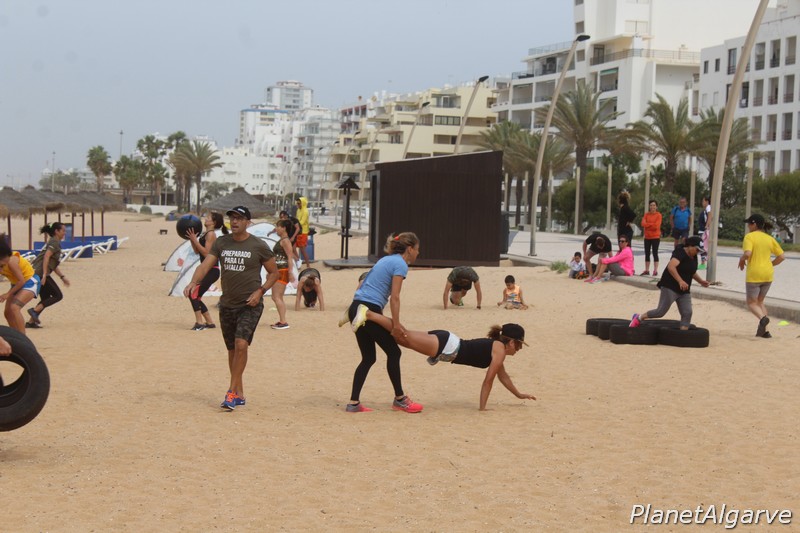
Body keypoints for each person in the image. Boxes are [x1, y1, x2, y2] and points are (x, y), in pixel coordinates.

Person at [183, 206, 279, 410]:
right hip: (227, 304)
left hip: (250, 304)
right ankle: (239, 393)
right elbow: (205, 266)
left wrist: (260, 292)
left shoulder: (258, 245)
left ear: (248, 222)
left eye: (239, 218)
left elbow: (274, 273)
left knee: (241, 344)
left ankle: (231, 392)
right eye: (232, 218)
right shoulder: (222, 243)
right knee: (232, 350)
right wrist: (193, 282)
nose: (234, 221)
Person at [352, 313, 535, 411]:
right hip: (448, 346)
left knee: (403, 336)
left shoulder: (497, 349)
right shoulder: (499, 350)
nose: (519, 349)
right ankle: (369, 315)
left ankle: (367, 320)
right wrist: (482, 408)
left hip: (447, 341)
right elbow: (489, 380)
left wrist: (519, 395)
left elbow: (503, 377)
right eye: (519, 345)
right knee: (403, 336)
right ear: (512, 342)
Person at [343, 232, 422, 414]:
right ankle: (400, 400)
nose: (418, 253)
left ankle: (353, 403)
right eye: (417, 249)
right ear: (410, 249)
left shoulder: (386, 260)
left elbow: (365, 285)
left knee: (368, 358)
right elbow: (395, 297)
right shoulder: (400, 264)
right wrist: (396, 324)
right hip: (368, 310)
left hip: (356, 308)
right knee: (394, 352)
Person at [630, 236, 710, 329]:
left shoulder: (694, 256)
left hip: (683, 289)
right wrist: (680, 281)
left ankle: (683, 334)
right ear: (690, 246)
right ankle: (639, 317)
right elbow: (671, 267)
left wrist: (701, 281)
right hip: (670, 286)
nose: (698, 252)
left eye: (700, 251)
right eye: (697, 249)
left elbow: (691, 271)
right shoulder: (680, 252)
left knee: (687, 312)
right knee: (660, 312)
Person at [738, 214, 785, 338]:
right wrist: (770, 264)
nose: (748, 226)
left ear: (754, 224)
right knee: (760, 302)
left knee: (751, 303)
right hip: (768, 274)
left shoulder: (749, 237)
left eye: (749, 224)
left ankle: (763, 318)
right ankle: (765, 331)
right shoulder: (769, 238)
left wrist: (741, 259)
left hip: (754, 274)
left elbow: (748, 253)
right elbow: (781, 256)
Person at [185, 212, 228, 330]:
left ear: (214, 223)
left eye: (208, 218)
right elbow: (197, 251)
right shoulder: (205, 234)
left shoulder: (211, 235)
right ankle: (209, 322)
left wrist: (195, 240)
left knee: (193, 293)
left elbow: (206, 253)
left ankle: (199, 322)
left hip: (211, 270)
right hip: (205, 270)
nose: (206, 218)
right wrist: (192, 239)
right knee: (196, 296)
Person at [25, 223, 70, 329]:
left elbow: (52, 264)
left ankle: (31, 322)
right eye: (63, 230)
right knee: (57, 295)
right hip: (40, 272)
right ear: (56, 231)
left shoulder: (54, 242)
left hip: (39, 272)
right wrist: (45, 274)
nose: (65, 233)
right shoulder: (54, 242)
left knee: (45, 298)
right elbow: (46, 257)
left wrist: (62, 277)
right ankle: (34, 311)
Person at [0, 237, 40, 334]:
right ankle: (16, 336)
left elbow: (21, 281)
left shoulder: (11, 261)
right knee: (7, 313)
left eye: (2, 266)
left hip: (30, 281)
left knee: (15, 307)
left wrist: (7, 294)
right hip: (16, 284)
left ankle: (23, 337)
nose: (2, 268)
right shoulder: (3, 260)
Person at [269, 219, 296, 330]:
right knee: (277, 296)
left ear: (284, 228)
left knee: (276, 296)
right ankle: (282, 320)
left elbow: (290, 257)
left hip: (282, 270)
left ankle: (283, 321)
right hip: (279, 270)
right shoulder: (283, 240)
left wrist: (290, 272)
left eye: (278, 226)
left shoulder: (285, 241)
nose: (276, 229)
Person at [640, 200, 662, 277]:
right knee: (647, 253)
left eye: (654, 205)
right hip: (647, 237)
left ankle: (655, 270)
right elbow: (643, 224)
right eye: (651, 205)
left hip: (655, 237)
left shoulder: (658, 215)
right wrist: (651, 225)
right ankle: (647, 270)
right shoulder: (646, 215)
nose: (652, 207)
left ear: (656, 206)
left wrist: (647, 225)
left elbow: (656, 226)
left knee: (655, 253)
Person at [295, 197, 311, 268]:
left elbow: (302, 222)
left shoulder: (305, 211)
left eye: (299, 203)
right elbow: (297, 220)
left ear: (302, 203)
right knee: (293, 248)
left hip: (303, 232)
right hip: (297, 231)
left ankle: (308, 265)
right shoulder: (298, 210)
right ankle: (298, 262)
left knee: (302, 250)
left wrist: (295, 225)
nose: (297, 205)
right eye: (297, 203)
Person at [698, 196, 711, 269]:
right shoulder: (706, 209)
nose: (702, 203)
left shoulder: (708, 207)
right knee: (703, 246)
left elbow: (709, 216)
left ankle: (703, 263)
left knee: (702, 246)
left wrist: (707, 225)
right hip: (703, 229)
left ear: (707, 201)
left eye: (703, 201)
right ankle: (703, 262)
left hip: (704, 230)